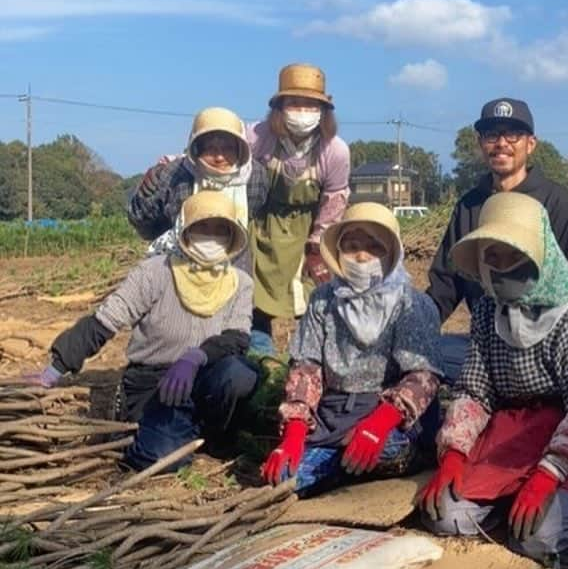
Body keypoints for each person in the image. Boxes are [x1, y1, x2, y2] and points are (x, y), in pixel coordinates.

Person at [417, 193, 568, 563]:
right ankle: (513, 495)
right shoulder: (489, 308)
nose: (504, 268)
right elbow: (476, 387)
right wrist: (454, 453)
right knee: (444, 515)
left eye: (515, 255)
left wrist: (548, 475)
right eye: (494, 257)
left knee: (536, 540)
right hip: (518, 432)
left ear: (541, 254)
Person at [34, 191, 258, 471]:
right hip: (156, 383)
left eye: (220, 230)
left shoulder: (241, 283)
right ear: (185, 230)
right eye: (202, 227)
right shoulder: (155, 272)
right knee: (160, 459)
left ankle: (211, 434)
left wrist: (195, 357)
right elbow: (105, 321)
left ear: (233, 237)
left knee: (239, 374)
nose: (210, 237)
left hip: (204, 374)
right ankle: (167, 432)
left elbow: (237, 339)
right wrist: (55, 368)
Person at [260, 203, 442, 495]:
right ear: (338, 252)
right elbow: (306, 367)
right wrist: (294, 433)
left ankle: (374, 460)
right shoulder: (323, 300)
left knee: (387, 450)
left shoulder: (410, 303)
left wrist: (381, 423)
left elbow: (423, 377)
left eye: (374, 247)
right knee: (283, 479)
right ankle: (342, 464)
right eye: (352, 246)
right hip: (334, 417)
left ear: (392, 253)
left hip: (390, 419)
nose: (361, 256)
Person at [427, 97, 568, 381]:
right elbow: (445, 284)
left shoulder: (557, 201)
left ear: (531, 143)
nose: (501, 143)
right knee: (426, 355)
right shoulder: (469, 205)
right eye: (492, 134)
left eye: (512, 134)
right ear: (481, 143)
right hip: (486, 342)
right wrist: (415, 327)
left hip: (544, 344)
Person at [247, 63, 351, 354]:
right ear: (280, 108)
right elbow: (222, 148)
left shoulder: (335, 150)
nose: (302, 111)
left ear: (323, 111)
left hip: (308, 229)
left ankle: (307, 361)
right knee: (255, 302)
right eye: (294, 103)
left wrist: (317, 246)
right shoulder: (257, 136)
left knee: (313, 298)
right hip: (262, 229)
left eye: (310, 105)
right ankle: (261, 363)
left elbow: (334, 199)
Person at [127, 107, 267, 271]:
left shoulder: (255, 177)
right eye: (210, 148)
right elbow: (144, 226)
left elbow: (258, 214)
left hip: (234, 266)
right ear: (195, 148)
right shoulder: (174, 174)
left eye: (228, 148)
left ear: (240, 149)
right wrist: (144, 195)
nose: (219, 157)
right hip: (180, 265)